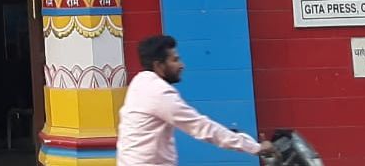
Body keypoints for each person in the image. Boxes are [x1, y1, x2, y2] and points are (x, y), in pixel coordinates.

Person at [117, 35, 276, 166]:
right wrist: (255, 148)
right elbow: (201, 127)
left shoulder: (139, 83)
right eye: (175, 60)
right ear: (159, 66)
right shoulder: (159, 92)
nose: (182, 65)